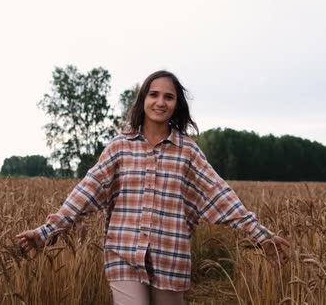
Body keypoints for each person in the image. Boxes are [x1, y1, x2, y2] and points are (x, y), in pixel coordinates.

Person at [16, 70, 290, 305]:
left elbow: (219, 193)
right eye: (154, 94)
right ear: (143, 99)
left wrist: (262, 236)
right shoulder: (119, 146)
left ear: (176, 105)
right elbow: (88, 189)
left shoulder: (188, 153)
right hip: (123, 252)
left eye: (168, 97)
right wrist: (46, 231)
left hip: (171, 257)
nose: (160, 102)